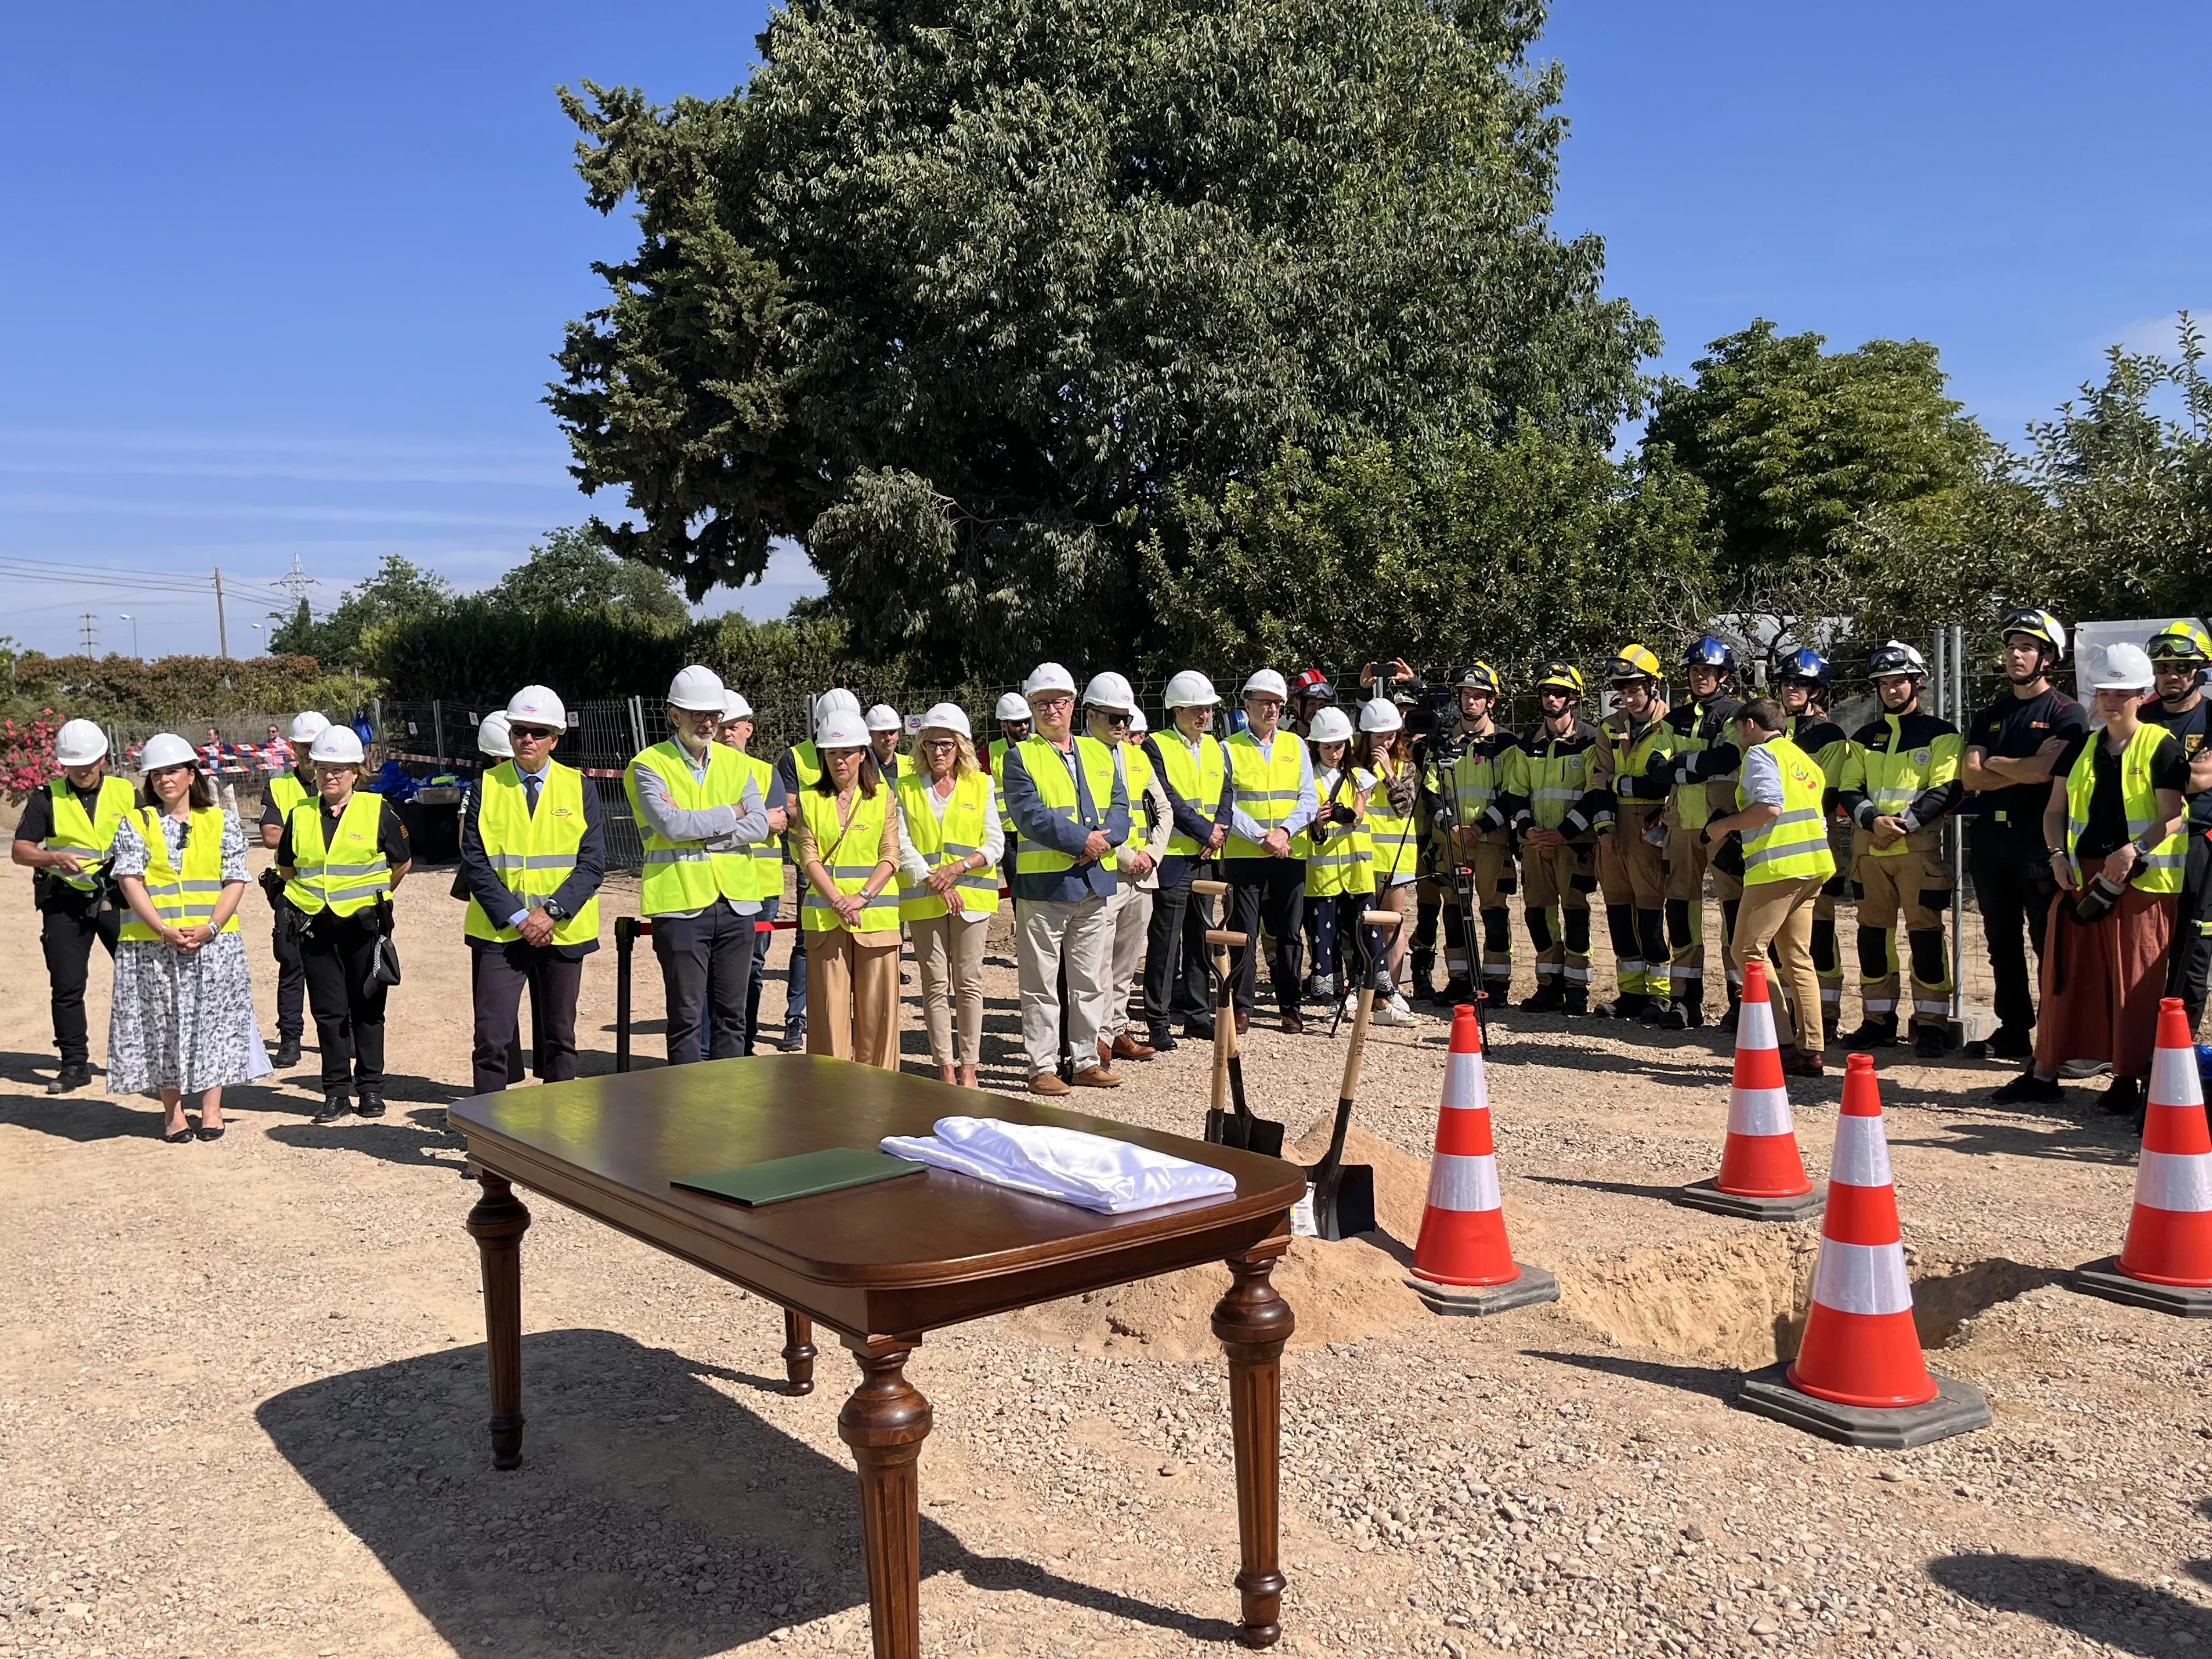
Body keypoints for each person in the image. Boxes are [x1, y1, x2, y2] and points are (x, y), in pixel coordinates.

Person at [1992, 644, 2188, 1116]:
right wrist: (2057, 855)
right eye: (2104, 693)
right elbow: (2054, 810)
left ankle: (2127, 1078)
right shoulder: (2081, 746)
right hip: (2081, 875)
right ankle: (2045, 1072)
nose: (2111, 701)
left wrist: (2134, 851)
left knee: (2133, 983)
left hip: (2142, 883)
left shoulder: (2161, 745)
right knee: (2063, 977)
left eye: (2121, 693)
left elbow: (2173, 816)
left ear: (2141, 695)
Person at [104, 733, 266, 1141]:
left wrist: (211, 927)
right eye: (157, 774)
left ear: (191, 775)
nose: (165, 780)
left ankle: (212, 1111)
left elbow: (234, 880)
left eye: (173, 771)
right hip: (152, 946)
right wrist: (162, 929)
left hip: (214, 944)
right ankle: (173, 1114)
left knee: (215, 1023)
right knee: (162, 1026)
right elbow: (130, 880)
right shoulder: (136, 823)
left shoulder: (221, 821)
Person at [623, 665, 775, 1066]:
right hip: (680, 904)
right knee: (686, 1019)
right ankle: (687, 1101)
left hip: (737, 903)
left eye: (715, 715)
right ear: (675, 715)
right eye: (698, 714)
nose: (709, 723)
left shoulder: (736, 763)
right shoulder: (648, 765)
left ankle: (728, 1097)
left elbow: (760, 825)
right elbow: (670, 825)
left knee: (732, 1017)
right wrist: (733, 811)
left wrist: (701, 828)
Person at [458, 686, 606, 1093]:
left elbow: (592, 863)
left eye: (539, 732)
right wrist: (521, 917)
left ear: (554, 739)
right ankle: (488, 1124)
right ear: (510, 735)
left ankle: (556, 1123)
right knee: (491, 1039)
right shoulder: (485, 786)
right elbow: (475, 863)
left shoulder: (580, 787)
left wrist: (550, 913)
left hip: (562, 930)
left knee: (560, 1038)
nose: (528, 738)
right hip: (501, 932)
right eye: (520, 730)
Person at [1961, 607, 2089, 1058]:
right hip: (1990, 843)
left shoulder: (2067, 713)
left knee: (2047, 943)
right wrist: (2021, 767)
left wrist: (1997, 763)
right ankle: (2014, 1030)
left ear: (2048, 658)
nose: (2016, 655)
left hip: (2039, 842)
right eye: (2012, 647)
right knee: (2001, 943)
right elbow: (1971, 777)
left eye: (2028, 648)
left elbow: (2046, 773)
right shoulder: (1990, 714)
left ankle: (2059, 1036)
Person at [1001, 661, 1129, 1090]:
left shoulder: (1100, 752)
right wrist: (1083, 842)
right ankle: (1042, 1068)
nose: (1050, 709)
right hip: (1045, 887)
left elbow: (1121, 807)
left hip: (1093, 883)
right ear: (1031, 707)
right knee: (1040, 983)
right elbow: (1030, 815)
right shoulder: (1020, 757)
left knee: (1090, 981)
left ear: (1073, 704)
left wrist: (1103, 841)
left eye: (1057, 701)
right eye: (1041, 703)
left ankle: (1086, 1060)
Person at [276, 724, 411, 1122]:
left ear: (356, 772)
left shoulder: (377, 810)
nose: (330, 776)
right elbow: (287, 868)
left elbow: (402, 862)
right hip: (315, 928)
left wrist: (375, 896)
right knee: (329, 1012)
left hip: (364, 927)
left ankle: (370, 1089)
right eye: (323, 768)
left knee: (368, 1009)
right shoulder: (300, 815)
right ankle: (336, 1092)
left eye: (338, 769)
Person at [1837, 643, 1964, 1059]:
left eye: (1899, 682)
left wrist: (1901, 826)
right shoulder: (1863, 737)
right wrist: (1874, 821)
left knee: (1926, 937)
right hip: (1870, 851)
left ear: (1918, 682)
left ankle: (1931, 1024)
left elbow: (1946, 789)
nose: (1891, 690)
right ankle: (1878, 1021)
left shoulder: (1942, 734)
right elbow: (1849, 788)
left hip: (1917, 852)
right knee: (1872, 938)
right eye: (1884, 683)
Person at [1701, 699, 1835, 1077]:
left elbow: (1770, 807)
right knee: (1797, 957)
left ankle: (1780, 1043)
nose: (1737, 737)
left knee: (1746, 951)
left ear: (1750, 725)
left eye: (1737, 729)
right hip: (1813, 867)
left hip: (1778, 868)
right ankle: (1811, 1050)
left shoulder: (1760, 755)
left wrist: (1724, 826)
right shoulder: (1803, 760)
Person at [13, 718, 135, 1094]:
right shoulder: (46, 797)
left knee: (139, 978)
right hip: (64, 901)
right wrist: (53, 858)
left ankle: (143, 1058)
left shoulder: (126, 792)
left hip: (116, 897)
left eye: (88, 764)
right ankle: (74, 1065)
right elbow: (21, 850)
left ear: (103, 759)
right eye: (73, 765)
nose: (81, 771)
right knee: (67, 985)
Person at [1637, 635, 1744, 1030]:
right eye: (1696, 670)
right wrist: (1696, 765)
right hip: (1681, 828)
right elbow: (1654, 767)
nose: (1701, 677)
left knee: (1735, 913)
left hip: (1723, 826)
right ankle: (1685, 1000)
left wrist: (1680, 764)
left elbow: (1728, 757)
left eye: (1709, 671)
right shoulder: (1673, 719)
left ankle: (1741, 1001)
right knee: (1681, 914)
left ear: (1724, 675)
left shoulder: (1737, 715)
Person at [895, 703, 1002, 1085]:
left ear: (961, 746)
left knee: (969, 982)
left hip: (971, 896)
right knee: (935, 983)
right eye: (930, 744)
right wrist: (933, 879)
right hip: (925, 896)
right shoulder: (905, 787)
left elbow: (994, 843)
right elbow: (901, 842)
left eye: (946, 744)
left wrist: (957, 868)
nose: (938, 752)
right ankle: (945, 1066)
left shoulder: (981, 784)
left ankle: (969, 1067)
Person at [791, 706, 902, 1067]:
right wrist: (839, 900)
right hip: (826, 919)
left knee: (879, 1018)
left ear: (863, 755)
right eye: (832, 753)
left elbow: (891, 854)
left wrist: (862, 897)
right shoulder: (810, 799)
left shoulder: (883, 796)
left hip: (876, 918)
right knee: (828, 1017)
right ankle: (830, 1092)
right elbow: (808, 855)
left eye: (848, 752)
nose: (840, 761)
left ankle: (881, 1090)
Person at [1222, 668, 1317, 1034]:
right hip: (1245, 853)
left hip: (1289, 851)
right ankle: (1242, 1006)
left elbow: (1308, 799)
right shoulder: (1228, 749)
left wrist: (1283, 832)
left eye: (1277, 703)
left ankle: (1290, 1006)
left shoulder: (1296, 745)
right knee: (1243, 930)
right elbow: (1226, 803)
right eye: (1265, 702)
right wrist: (1261, 836)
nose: (1272, 709)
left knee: (1290, 932)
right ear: (1247, 704)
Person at [1143, 670, 1232, 1049]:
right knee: (1165, 943)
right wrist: (1206, 831)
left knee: (1200, 940)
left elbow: (1227, 791)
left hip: (1206, 856)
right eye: (1197, 709)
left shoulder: (1216, 747)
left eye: (1208, 709)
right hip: (1173, 857)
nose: (1204, 715)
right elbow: (1166, 798)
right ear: (1177, 710)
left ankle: (1198, 1015)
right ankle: (1158, 1021)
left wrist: (1220, 829)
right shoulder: (1156, 745)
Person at [1084, 677, 1171, 1064]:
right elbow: (1089, 817)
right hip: (1107, 871)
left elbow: (1163, 809)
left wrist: (1151, 854)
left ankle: (1117, 1029)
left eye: (1126, 718)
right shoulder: (1081, 756)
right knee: (1098, 961)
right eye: (1113, 717)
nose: (1121, 725)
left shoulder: (1137, 757)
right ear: (1092, 715)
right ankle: (1097, 1036)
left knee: (1126, 961)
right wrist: (1126, 857)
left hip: (1143, 873)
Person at [1428, 664, 1526, 1008]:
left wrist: (1480, 827)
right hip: (1452, 842)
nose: (1471, 702)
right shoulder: (1443, 743)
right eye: (1466, 695)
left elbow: (1513, 793)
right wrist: (1452, 826)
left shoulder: (1506, 743)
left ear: (1491, 702)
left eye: (1479, 696)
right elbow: (1431, 790)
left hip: (1491, 842)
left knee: (1494, 913)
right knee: (1454, 913)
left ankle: (1496, 984)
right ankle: (1459, 980)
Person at [1513, 662, 1605, 1016]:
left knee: (1576, 914)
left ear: (1574, 698)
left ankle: (1577, 989)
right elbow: (1517, 792)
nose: (1551, 699)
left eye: (1560, 693)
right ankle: (1549, 985)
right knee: (1538, 914)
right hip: (1536, 845)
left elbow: (1594, 794)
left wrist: (1563, 833)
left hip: (1574, 845)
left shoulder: (1590, 740)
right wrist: (1527, 829)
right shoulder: (1528, 745)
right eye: (1546, 692)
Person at [775, 689, 863, 1051]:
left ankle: (846, 1020)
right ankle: (796, 1018)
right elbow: (790, 811)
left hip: (858, 870)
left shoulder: (862, 750)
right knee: (805, 943)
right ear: (817, 723)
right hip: (812, 866)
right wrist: (828, 810)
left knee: (858, 946)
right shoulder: (795, 758)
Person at [1589, 645, 1674, 1020]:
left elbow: (1660, 784)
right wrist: (1605, 828)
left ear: (1653, 685)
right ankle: (1631, 993)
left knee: (1651, 913)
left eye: (1634, 687)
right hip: (1615, 830)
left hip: (1652, 826)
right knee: (1619, 913)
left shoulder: (1671, 725)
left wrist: (1617, 783)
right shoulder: (1610, 727)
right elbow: (1597, 782)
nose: (1627, 694)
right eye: (1621, 688)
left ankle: (1660, 994)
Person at [1774, 651, 1853, 1042]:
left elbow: (1827, 793)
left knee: (1819, 929)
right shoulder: (1776, 731)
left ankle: (1827, 1013)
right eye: (1787, 682)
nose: (1792, 688)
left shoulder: (1829, 736)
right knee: (1781, 930)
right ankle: (1788, 1013)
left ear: (1817, 690)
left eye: (1801, 683)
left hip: (1817, 840)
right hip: (1776, 841)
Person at [2141, 621, 2212, 1033]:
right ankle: (2137, 1043)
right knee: (2143, 947)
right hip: (2144, 845)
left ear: (2198, 671)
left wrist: (2142, 773)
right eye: (2163, 667)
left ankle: (2178, 1046)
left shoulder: (2211, 716)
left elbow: (2202, 778)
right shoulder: (2141, 716)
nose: (2172, 676)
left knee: (2192, 949)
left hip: (2197, 846)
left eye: (2182, 667)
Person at [718, 689, 790, 1055]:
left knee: (753, 969)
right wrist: (756, 816)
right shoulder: (705, 774)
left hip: (762, 888)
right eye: (722, 727)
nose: (727, 733)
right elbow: (698, 826)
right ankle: (714, 1048)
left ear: (749, 728)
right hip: (719, 883)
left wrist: (727, 817)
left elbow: (779, 823)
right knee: (716, 971)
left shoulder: (766, 773)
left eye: (734, 726)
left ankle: (743, 1044)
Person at [256, 710, 330, 1069]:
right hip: (292, 889)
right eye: (303, 745)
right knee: (291, 965)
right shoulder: (279, 786)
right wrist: (315, 833)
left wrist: (295, 832)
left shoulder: (341, 782)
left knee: (339, 966)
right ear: (293, 747)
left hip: (336, 891)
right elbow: (270, 836)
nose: (309, 752)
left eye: (315, 745)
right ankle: (290, 1038)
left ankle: (344, 1035)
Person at [1302, 706, 1374, 1010]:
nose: (1334, 753)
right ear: (1315, 746)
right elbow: (1306, 824)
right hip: (1322, 873)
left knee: (1365, 932)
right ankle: (1326, 991)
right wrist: (1318, 822)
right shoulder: (1307, 779)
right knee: (1323, 934)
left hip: (1357, 870)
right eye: (1327, 747)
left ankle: (1370, 989)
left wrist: (1348, 815)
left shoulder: (1360, 778)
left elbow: (1358, 815)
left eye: (1340, 746)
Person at [1355, 695, 1420, 1023]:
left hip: (1396, 856)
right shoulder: (1354, 767)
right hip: (1361, 855)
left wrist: (1388, 773)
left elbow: (1405, 807)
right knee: (1362, 923)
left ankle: (1391, 991)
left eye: (1391, 736)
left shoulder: (1406, 766)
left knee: (1392, 923)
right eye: (1379, 736)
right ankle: (1363, 989)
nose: (1385, 742)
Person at [866, 705, 905, 781]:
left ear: (898, 735)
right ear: (871, 736)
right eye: (883, 733)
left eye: (892, 732)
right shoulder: (863, 767)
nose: (889, 738)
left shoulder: (911, 764)